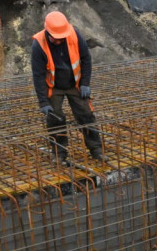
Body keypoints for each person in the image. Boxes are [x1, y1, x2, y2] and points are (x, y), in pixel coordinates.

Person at [31, 11, 104, 164]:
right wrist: (43, 102)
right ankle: (59, 153)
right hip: (54, 86)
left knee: (86, 114)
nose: (59, 41)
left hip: (74, 83)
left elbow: (86, 59)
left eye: (61, 38)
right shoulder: (38, 44)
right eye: (56, 39)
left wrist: (85, 83)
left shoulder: (74, 35)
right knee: (55, 118)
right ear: (47, 32)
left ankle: (96, 149)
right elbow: (38, 75)